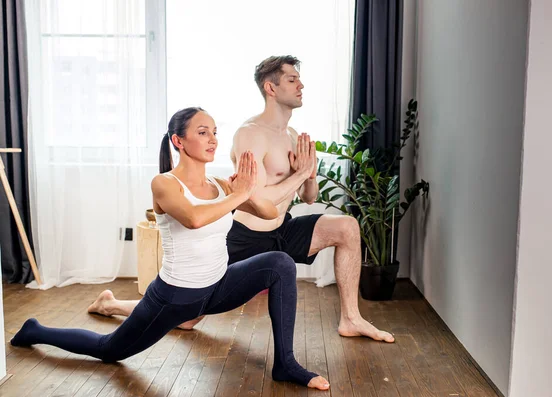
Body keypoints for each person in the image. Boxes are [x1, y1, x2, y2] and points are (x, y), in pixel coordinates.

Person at [10, 107, 329, 390]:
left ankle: (285, 363)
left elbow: (271, 213)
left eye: (215, 132)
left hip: (217, 288)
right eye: (203, 132)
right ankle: (35, 330)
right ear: (178, 140)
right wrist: (237, 196)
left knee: (280, 263)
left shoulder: (221, 185)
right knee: (109, 351)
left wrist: (247, 191)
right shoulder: (164, 184)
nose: (213, 139)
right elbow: (193, 219)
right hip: (174, 299)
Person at [89, 55, 394, 343]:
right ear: (271, 87)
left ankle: (351, 318)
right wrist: (300, 174)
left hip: (281, 230)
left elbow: (309, 198)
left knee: (346, 227)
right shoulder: (250, 134)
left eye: (300, 80)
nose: (301, 86)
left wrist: (309, 174)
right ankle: (112, 305)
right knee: (185, 319)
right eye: (292, 79)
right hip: (245, 237)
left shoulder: (292, 135)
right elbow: (258, 199)